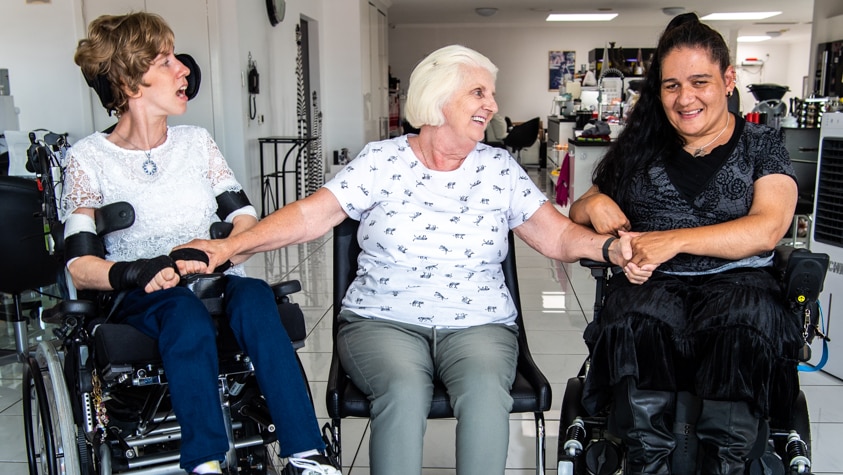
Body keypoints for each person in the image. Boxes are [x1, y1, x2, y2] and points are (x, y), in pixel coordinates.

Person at [179, 44, 649, 475]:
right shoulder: (381, 161)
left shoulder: (499, 168)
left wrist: (609, 248)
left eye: (492, 93)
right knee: (403, 391)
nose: (492, 105)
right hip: (381, 321)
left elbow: (557, 236)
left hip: (480, 323)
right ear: (437, 98)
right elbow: (309, 216)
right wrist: (228, 247)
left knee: (487, 394)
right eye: (478, 92)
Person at [64, 12, 339, 475]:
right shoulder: (88, 159)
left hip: (216, 279)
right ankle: (204, 461)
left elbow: (244, 218)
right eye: (165, 60)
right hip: (142, 295)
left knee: (255, 298)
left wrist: (226, 247)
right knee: (182, 313)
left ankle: (305, 455)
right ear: (132, 83)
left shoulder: (197, 143)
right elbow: (79, 265)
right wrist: (136, 271)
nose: (183, 69)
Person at [568, 13, 801, 475]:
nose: (684, 98)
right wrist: (593, 206)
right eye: (671, 86)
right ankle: (647, 461)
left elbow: (767, 229)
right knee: (633, 320)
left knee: (742, 324)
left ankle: (727, 464)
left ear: (728, 79)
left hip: (739, 281)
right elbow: (580, 208)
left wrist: (671, 241)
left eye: (699, 81)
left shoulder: (761, 144)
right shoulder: (643, 145)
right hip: (653, 283)